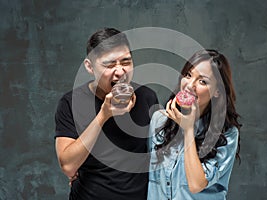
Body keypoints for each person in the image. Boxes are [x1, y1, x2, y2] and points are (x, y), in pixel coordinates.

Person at [55, 28, 158, 199]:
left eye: (126, 62)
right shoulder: (71, 102)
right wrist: (103, 115)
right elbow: (68, 166)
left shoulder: (147, 96)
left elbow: (160, 153)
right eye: (109, 65)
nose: (120, 72)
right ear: (90, 66)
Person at [147, 49, 241, 200]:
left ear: (217, 91)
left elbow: (196, 184)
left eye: (202, 81)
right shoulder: (160, 120)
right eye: (188, 75)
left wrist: (188, 129)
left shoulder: (227, 134)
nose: (190, 85)